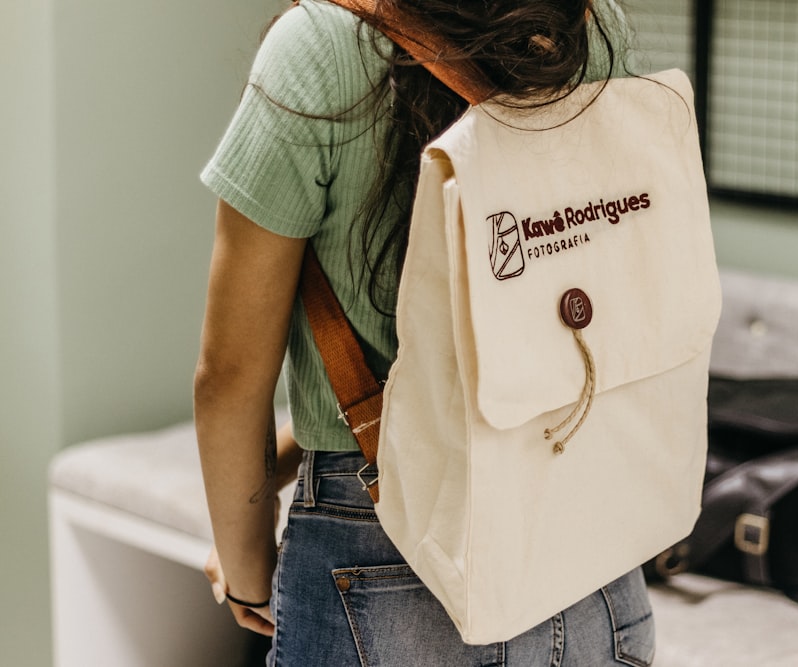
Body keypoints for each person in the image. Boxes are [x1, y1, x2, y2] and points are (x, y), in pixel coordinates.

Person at [193, 0, 657, 663]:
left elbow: (229, 377)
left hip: (378, 538)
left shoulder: (321, 48)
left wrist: (247, 574)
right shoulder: (585, 21)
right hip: (586, 535)